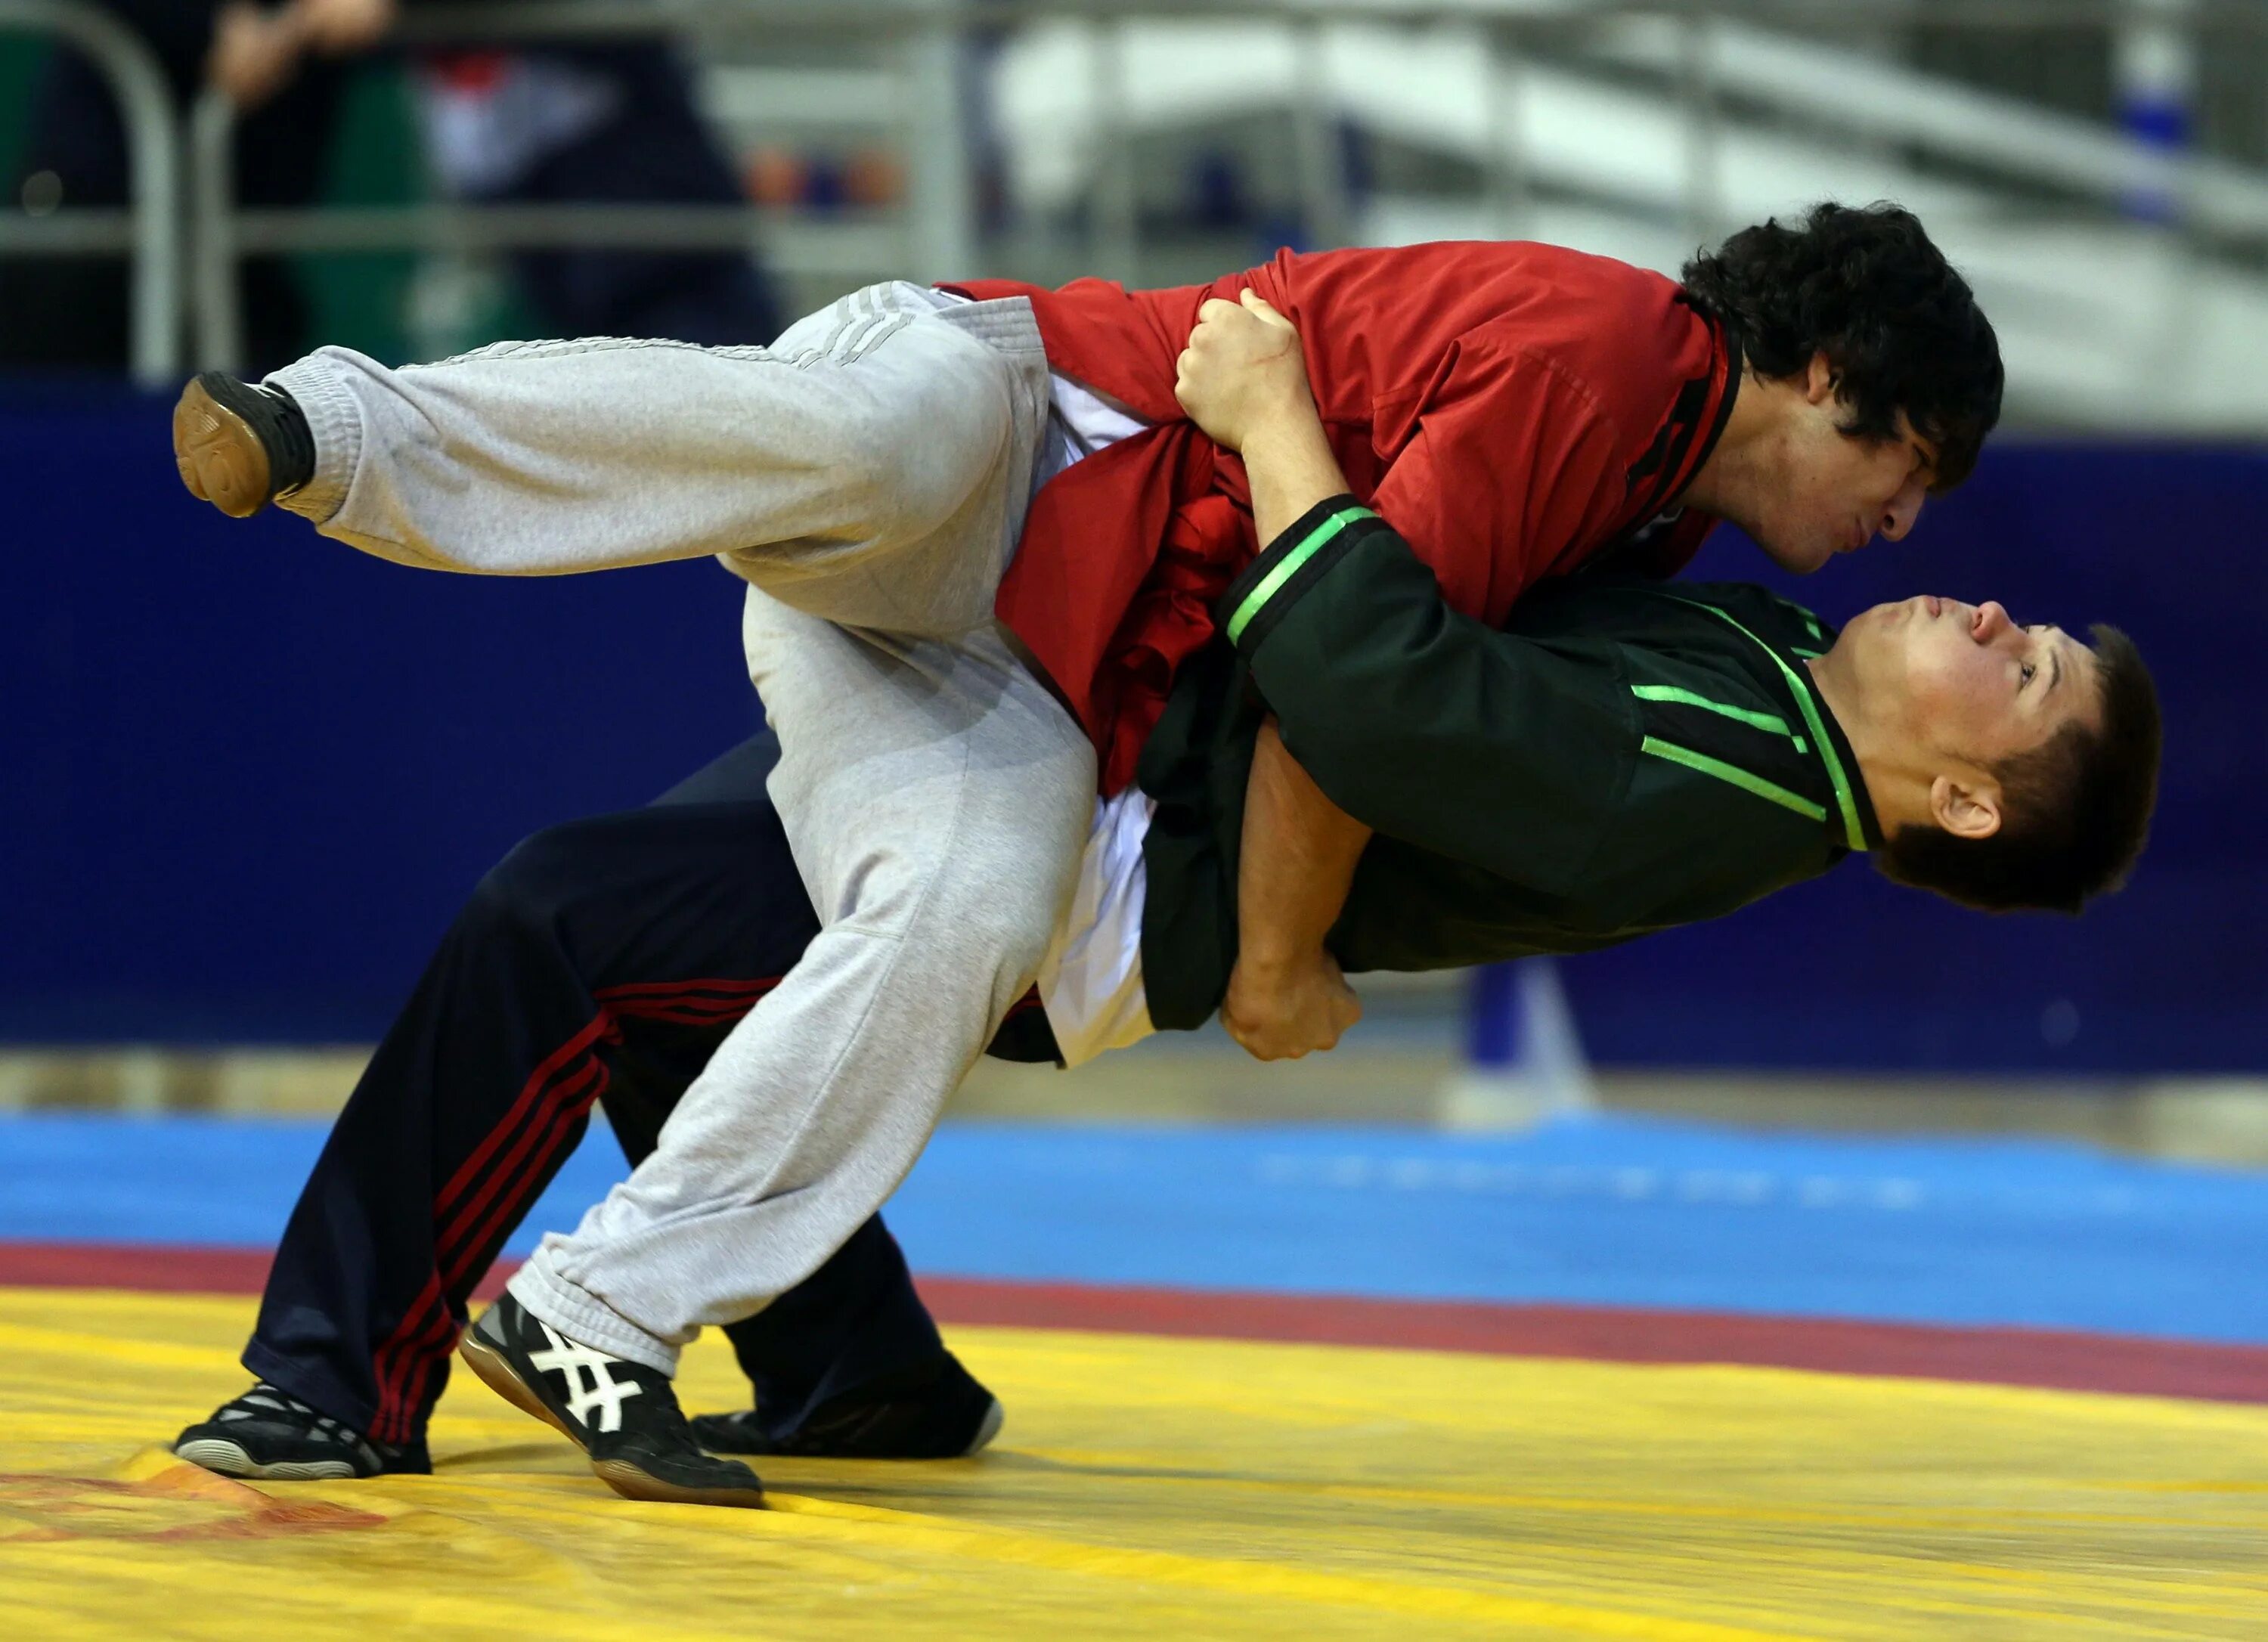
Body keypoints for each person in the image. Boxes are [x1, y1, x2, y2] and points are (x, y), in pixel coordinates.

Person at [175, 289, 2150, 1507]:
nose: (1977, 590)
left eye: (2027, 659)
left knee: (575, 926)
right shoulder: (1746, 644)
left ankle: (333, 1385)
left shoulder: (1730, 774)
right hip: (1083, 713)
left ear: (1965, 800)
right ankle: (857, 1368)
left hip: (1109, 837)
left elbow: (1375, 693)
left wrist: (1282, 425)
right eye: (2020, 607)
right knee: (640, 937)